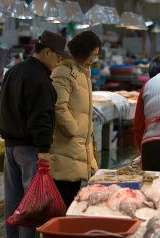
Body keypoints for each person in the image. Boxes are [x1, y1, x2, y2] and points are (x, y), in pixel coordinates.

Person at [0, 31, 67, 238]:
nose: (59, 63)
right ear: (47, 52)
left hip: (10, 146)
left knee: (14, 197)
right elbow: (41, 118)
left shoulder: (14, 71)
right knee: (32, 198)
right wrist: (44, 149)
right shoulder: (39, 79)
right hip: (30, 148)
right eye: (58, 58)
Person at [50, 31, 100, 208]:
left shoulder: (83, 73)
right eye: (92, 54)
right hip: (66, 144)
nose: (94, 59)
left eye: (96, 55)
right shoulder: (63, 72)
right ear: (81, 51)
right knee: (64, 198)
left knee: (73, 198)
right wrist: (73, 129)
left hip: (78, 146)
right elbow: (58, 106)